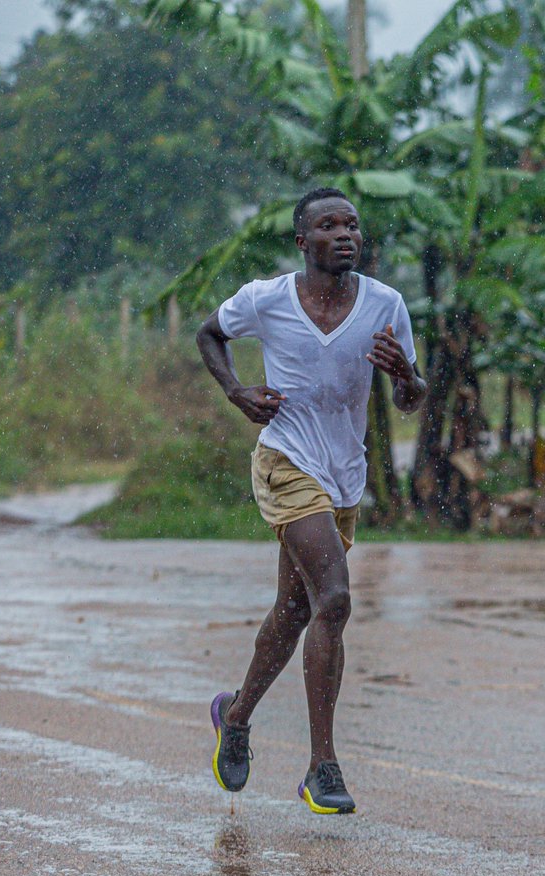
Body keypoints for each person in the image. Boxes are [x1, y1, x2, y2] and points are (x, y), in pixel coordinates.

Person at [196, 187, 427, 814]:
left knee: (295, 610)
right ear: (303, 242)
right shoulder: (266, 299)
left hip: (343, 476)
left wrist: (405, 376)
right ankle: (322, 768)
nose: (345, 234)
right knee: (336, 598)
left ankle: (235, 715)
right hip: (286, 461)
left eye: (352, 225)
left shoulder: (385, 304)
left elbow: (412, 398)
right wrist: (237, 392)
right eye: (329, 225)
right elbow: (210, 334)